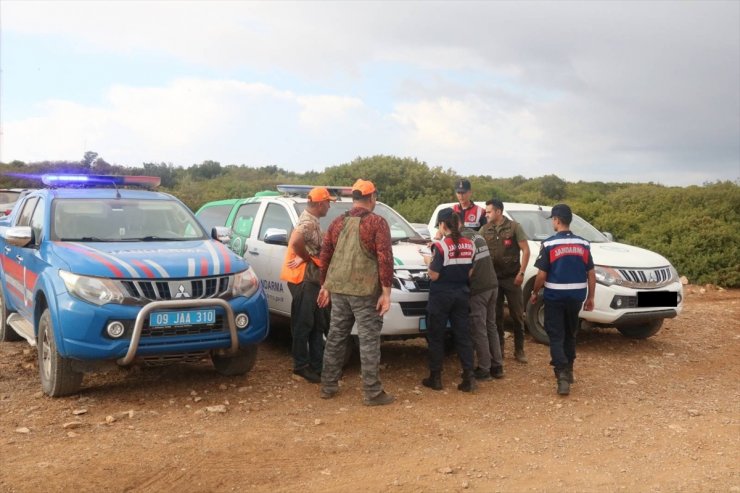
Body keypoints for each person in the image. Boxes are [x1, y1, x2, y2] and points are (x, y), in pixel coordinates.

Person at [317, 179, 395, 406]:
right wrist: (386, 293)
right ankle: (372, 392)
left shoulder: (337, 222)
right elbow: (385, 259)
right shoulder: (377, 223)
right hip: (364, 291)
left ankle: (328, 386)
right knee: (369, 340)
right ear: (372, 197)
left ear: (354, 198)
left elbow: (325, 256)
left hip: (339, 288)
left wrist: (325, 285)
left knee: (335, 337)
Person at [530, 204, 595, 396]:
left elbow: (541, 275)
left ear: (557, 220)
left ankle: (562, 376)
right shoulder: (583, 244)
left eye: (552, 219)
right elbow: (591, 273)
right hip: (576, 296)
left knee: (556, 335)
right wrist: (591, 297)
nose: (552, 222)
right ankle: (570, 368)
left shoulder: (549, 244)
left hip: (555, 296)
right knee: (570, 332)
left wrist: (534, 292)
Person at [279, 187, 335, 383]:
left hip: (312, 280)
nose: (329, 206)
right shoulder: (308, 222)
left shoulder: (312, 221)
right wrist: (306, 258)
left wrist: (308, 258)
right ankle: (301, 366)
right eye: (328, 202)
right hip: (304, 280)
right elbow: (295, 242)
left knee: (317, 325)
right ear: (320, 204)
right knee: (304, 325)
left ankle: (317, 366)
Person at [421, 208, 478, 393]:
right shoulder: (470, 244)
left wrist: (427, 261)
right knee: (463, 336)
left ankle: (435, 377)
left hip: (441, 295)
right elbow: (470, 272)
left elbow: (434, 275)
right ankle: (469, 377)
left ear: (442, 225)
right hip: (461, 293)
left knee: (436, 336)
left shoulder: (440, 247)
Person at [480, 198, 531, 363]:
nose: (486, 214)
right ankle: (499, 350)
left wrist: (522, 273)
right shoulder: (484, 230)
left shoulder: (515, 227)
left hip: (512, 279)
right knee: (496, 317)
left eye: (488, 211)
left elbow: (526, 250)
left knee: (517, 315)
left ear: (498, 212)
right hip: (494, 280)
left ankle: (519, 350)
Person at [461, 224, 505, 381]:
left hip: (479, 289)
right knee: (491, 326)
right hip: (492, 285)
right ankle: (497, 366)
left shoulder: (462, 240)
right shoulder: (476, 235)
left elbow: (466, 269)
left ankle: (484, 368)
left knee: (479, 329)